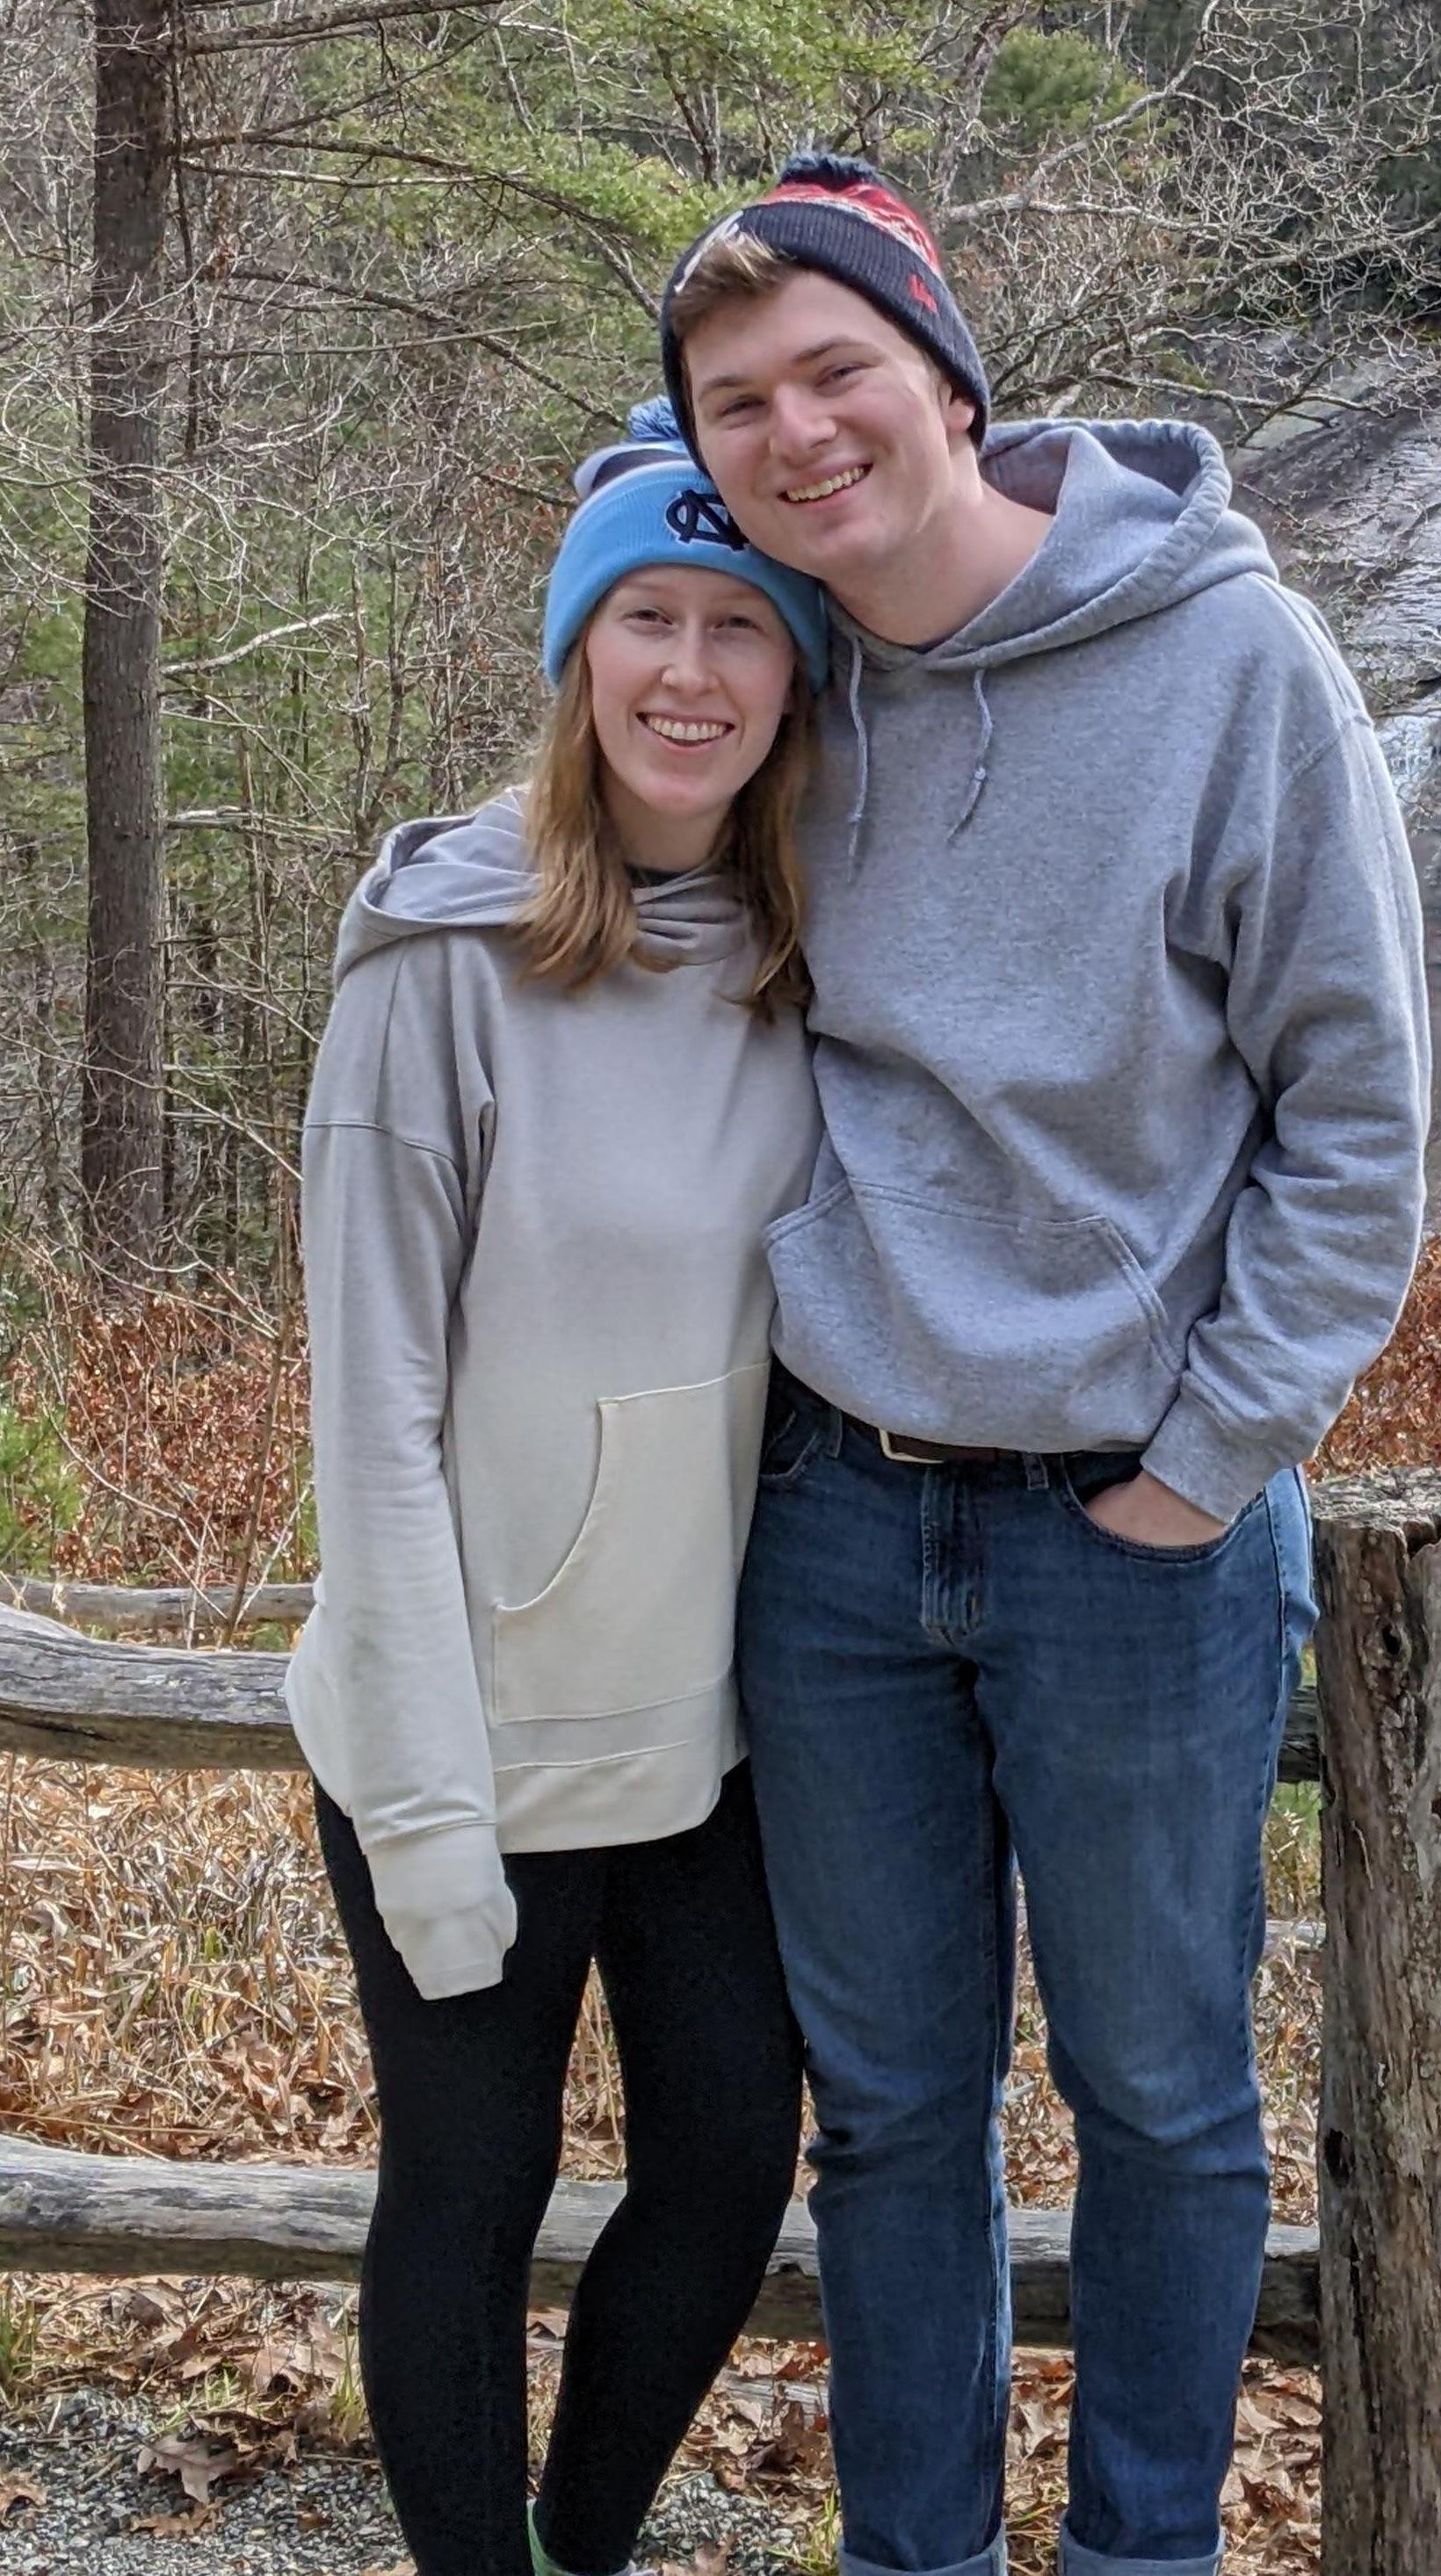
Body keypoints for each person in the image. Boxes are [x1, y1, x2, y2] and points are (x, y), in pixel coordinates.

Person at [658, 156, 1431, 2576]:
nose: (797, 433)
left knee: (1162, 2098)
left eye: (835, 373)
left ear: (947, 376)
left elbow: (1359, 1115)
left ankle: (1138, 2553)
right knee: (889, 2112)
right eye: (736, 405)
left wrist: (1206, 1468)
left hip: (1134, 1523)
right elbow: (590, 860)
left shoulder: (1233, 666)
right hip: (838, 1512)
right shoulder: (777, 681)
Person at [286, 409, 831, 2576]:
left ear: (794, 676)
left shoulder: (804, 965)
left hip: (701, 1742)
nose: (688, 668)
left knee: (721, 2174)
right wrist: (424, 1809)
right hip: (473, 1732)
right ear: (576, 653)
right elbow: (373, 1425)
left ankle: (579, 2546)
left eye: (738, 624)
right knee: (467, 2194)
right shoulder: (442, 967)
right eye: (644, 617)